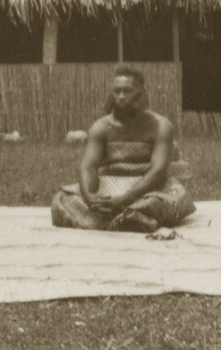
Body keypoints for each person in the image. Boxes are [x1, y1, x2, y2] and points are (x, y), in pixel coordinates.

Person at [51, 66, 195, 232]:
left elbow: (158, 171)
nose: (121, 97)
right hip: (110, 186)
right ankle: (129, 219)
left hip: (150, 189)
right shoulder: (101, 127)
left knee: (165, 202)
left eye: (128, 91)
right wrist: (91, 198)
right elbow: (88, 166)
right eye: (117, 91)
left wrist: (126, 199)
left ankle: (117, 217)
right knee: (62, 199)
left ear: (142, 92)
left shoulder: (161, 126)